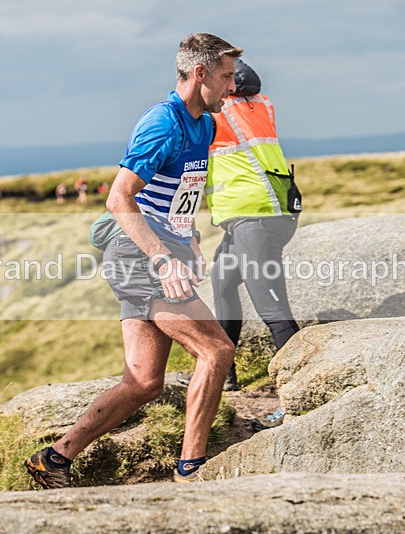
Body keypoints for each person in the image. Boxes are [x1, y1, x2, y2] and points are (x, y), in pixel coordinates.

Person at [24, 33, 243, 489]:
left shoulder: (204, 123)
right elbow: (119, 198)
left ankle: (54, 459)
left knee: (144, 382)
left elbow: (181, 195)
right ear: (199, 73)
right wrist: (164, 259)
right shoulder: (163, 123)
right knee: (217, 350)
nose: (232, 86)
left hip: (164, 251)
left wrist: (192, 242)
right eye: (226, 76)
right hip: (139, 256)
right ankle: (193, 468)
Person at [176, 59, 301, 430]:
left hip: (256, 218)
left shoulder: (216, 115)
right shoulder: (260, 104)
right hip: (256, 216)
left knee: (272, 306)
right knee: (225, 284)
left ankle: (298, 399)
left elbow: (192, 170)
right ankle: (223, 372)